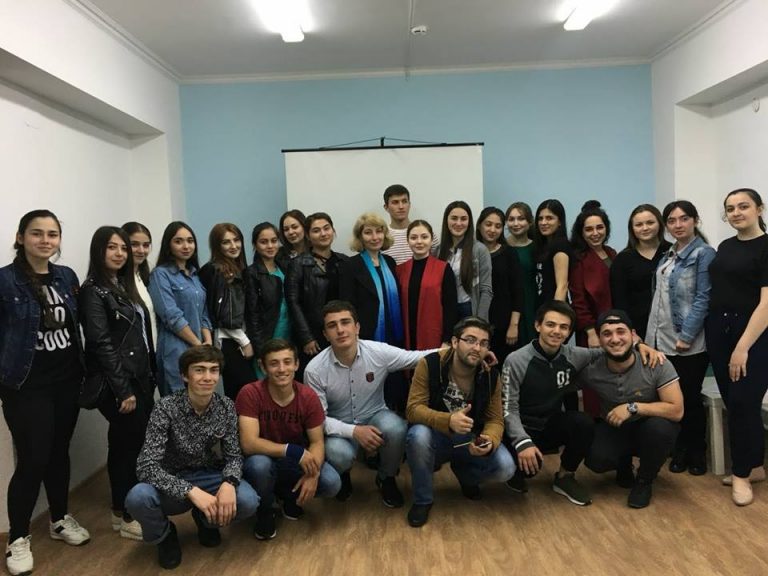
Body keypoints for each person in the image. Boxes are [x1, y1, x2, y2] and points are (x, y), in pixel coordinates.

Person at [501, 300, 662, 504]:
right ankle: (516, 468)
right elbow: (508, 407)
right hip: (520, 429)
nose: (557, 331)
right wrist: (522, 442)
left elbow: (610, 349)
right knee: (523, 471)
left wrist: (640, 345)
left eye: (564, 327)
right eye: (550, 325)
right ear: (537, 325)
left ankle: (565, 477)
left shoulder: (574, 355)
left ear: (569, 332)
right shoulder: (516, 360)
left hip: (550, 425)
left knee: (583, 422)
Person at [1, 210, 90, 576]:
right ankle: (18, 537)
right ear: (21, 237)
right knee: (33, 459)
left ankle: (59, 519)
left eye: (52, 234)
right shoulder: (5, 281)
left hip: (66, 381)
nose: (45, 240)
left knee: (58, 453)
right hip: (26, 386)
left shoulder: (66, 277)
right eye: (36, 233)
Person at [125, 345, 259, 569]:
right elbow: (146, 466)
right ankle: (164, 536)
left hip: (210, 475)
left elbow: (234, 456)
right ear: (185, 376)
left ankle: (206, 520)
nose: (207, 377)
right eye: (199, 370)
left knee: (248, 501)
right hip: (173, 478)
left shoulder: (226, 406)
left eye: (213, 370)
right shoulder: (165, 408)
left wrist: (229, 482)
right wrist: (190, 491)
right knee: (137, 498)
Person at [303, 300, 441, 508]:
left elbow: (417, 358)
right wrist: (355, 431)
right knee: (340, 454)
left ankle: (386, 477)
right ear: (325, 334)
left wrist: (455, 350)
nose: (340, 330)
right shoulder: (314, 370)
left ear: (357, 327)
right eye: (332, 326)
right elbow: (318, 421)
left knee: (396, 428)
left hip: (375, 415)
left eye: (345, 322)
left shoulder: (377, 351)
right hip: (338, 426)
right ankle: (344, 474)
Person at [79, 226, 156, 541]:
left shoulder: (122, 285)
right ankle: (127, 515)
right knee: (130, 448)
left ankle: (119, 510)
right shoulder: (93, 291)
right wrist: (123, 390)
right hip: (120, 383)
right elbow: (101, 343)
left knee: (125, 444)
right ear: (99, 250)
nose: (120, 253)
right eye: (112, 247)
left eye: (123, 248)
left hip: (138, 378)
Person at [405, 317, 515, 527]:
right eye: (470, 340)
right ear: (455, 342)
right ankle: (422, 500)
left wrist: (489, 440)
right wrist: (448, 420)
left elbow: (495, 419)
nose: (477, 348)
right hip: (435, 437)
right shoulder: (430, 364)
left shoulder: (490, 375)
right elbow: (412, 409)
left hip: (468, 440)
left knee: (506, 467)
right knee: (417, 435)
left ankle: (466, 475)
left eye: (483, 343)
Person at [237, 339, 341, 540]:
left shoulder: (308, 396)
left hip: (294, 462)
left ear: (296, 364)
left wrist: (313, 474)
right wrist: (293, 450)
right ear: (263, 367)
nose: (282, 369)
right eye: (274, 363)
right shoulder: (250, 393)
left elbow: (317, 442)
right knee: (259, 466)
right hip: (261, 459)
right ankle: (265, 509)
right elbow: (249, 444)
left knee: (331, 483)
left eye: (287, 362)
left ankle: (288, 496)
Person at [706, 188, 768, 506]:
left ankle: (741, 474)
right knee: (736, 402)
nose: (736, 213)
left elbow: (766, 304)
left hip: (754, 334)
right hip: (720, 330)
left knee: (744, 401)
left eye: (743, 206)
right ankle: (755, 465)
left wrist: (743, 346)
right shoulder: (726, 246)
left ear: (759, 209)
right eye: (730, 208)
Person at [583, 310, 683, 509]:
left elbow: (677, 410)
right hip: (615, 426)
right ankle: (623, 462)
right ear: (600, 340)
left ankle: (644, 480)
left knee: (661, 430)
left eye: (621, 332)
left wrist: (633, 407)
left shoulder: (656, 362)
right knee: (596, 459)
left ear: (633, 335)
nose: (615, 339)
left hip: (649, 427)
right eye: (607, 334)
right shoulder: (590, 368)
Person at [646, 200, 715, 476]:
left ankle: (696, 451)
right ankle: (679, 449)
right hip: (661, 339)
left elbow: (703, 297)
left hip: (688, 342)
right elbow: (659, 299)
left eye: (684, 219)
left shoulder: (704, 254)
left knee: (689, 398)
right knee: (670, 398)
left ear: (695, 220)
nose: (678, 225)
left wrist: (686, 335)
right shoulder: (668, 254)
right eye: (672, 220)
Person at [149, 222, 212, 396]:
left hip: (199, 350)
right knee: (177, 404)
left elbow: (204, 313)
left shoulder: (195, 275)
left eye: (190, 241)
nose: (186, 246)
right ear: (168, 245)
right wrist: (197, 344)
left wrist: (207, 343)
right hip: (175, 350)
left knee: (199, 402)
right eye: (178, 241)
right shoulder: (160, 274)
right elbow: (171, 315)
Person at [285, 212, 349, 380]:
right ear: (308, 235)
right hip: (313, 334)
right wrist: (306, 337)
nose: (323, 233)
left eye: (326, 228)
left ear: (333, 231)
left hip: (339, 331)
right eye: (316, 230)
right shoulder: (298, 264)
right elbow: (293, 302)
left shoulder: (343, 261)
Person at [569, 201, 617, 416]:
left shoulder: (612, 253)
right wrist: (590, 332)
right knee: (595, 380)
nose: (595, 233)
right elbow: (578, 299)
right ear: (581, 232)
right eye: (589, 229)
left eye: (599, 227)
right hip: (592, 331)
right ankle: (597, 423)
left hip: (615, 326)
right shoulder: (578, 260)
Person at [199, 223, 255, 400]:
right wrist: (245, 342)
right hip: (229, 340)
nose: (233, 246)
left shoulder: (239, 269)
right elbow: (222, 315)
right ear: (217, 246)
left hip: (238, 338)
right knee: (245, 392)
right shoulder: (217, 270)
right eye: (226, 242)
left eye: (236, 240)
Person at [339, 212, 403, 345]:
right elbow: (347, 305)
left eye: (379, 231)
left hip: (394, 330)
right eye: (368, 233)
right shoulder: (350, 265)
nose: (375, 237)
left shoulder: (390, 262)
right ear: (360, 237)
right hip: (366, 334)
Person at [610, 205, 671, 340]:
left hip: (670, 328)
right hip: (637, 330)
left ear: (660, 224)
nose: (645, 228)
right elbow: (619, 301)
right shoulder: (622, 260)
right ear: (632, 228)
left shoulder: (673, 252)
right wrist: (629, 331)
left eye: (650, 222)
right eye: (639, 224)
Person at [395, 219, 457, 350]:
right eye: (413, 238)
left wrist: (447, 340)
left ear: (431, 240)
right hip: (406, 337)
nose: (419, 242)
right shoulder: (400, 270)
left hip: (434, 336)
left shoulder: (443, 269)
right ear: (408, 241)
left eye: (424, 237)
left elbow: (450, 308)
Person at [244, 222, 291, 375]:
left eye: (274, 241)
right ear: (255, 245)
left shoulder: (285, 267)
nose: (270, 246)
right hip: (268, 336)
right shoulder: (252, 273)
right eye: (264, 242)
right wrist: (260, 351)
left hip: (290, 333)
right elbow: (252, 315)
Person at [476, 207, 523, 363]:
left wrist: (514, 325)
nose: (492, 230)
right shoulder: (471, 252)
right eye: (488, 224)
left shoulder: (509, 253)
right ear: (479, 225)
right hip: (476, 321)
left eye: (498, 226)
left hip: (504, 324)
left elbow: (518, 291)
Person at [438, 201, 493, 321]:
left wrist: (480, 321)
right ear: (446, 220)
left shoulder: (480, 250)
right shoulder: (437, 251)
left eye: (463, 219)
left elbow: (486, 290)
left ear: (469, 222)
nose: (459, 223)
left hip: (469, 309)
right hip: (445, 310)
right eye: (454, 218)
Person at [505, 202, 537, 347]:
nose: (516, 223)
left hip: (531, 305)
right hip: (507, 306)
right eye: (511, 219)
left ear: (530, 222)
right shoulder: (501, 247)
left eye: (521, 218)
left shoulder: (537, 248)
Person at [382, 184, 438, 264]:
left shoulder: (425, 232)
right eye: (395, 202)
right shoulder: (382, 237)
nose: (401, 206)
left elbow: (438, 262)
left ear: (409, 204)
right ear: (386, 207)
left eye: (404, 201)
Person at [122, 221, 157, 345]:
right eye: (134, 244)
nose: (141, 250)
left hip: (152, 349)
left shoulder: (145, 278)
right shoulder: (117, 282)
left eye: (146, 245)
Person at [532, 199, 571, 306]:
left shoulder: (560, 246)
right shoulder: (542, 247)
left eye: (549, 218)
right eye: (540, 218)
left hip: (553, 309)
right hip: (540, 307)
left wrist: (555, 313)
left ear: (560, 222)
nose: (543, 223)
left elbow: (562, 287)